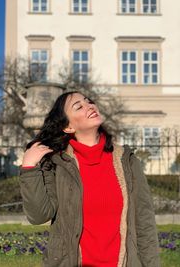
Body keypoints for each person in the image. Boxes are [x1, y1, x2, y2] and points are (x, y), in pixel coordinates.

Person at [20, 91, 160, 267]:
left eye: (89, 101)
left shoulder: (127, 160)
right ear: (68, 127)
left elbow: (144, 223)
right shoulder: (57, 164)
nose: (90, 106)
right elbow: (38, 216)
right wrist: (29, 168)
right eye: (79, 106)